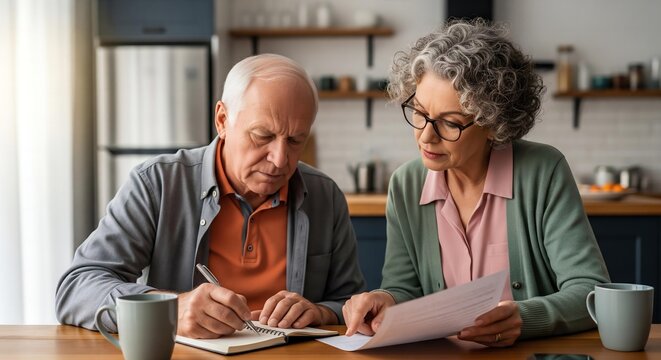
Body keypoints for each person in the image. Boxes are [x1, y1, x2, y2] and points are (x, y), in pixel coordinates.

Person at [56, 54, 366, 338]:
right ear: (222, 120)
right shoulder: (158, 183)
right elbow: (77, 287)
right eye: (263, 136)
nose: (280, 159)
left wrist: (320, 312)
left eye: (296, 140)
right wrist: (168, 310)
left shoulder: (325, 195)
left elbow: (350, 303)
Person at [342, 20, 610, 347]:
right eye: (420, 112)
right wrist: (384, 299)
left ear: (493, 123)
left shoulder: (544, 172)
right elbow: (404, 288)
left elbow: (590, 291)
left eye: (450, 123)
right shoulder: (405, 186)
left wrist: (524, 318)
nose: (426, 136)